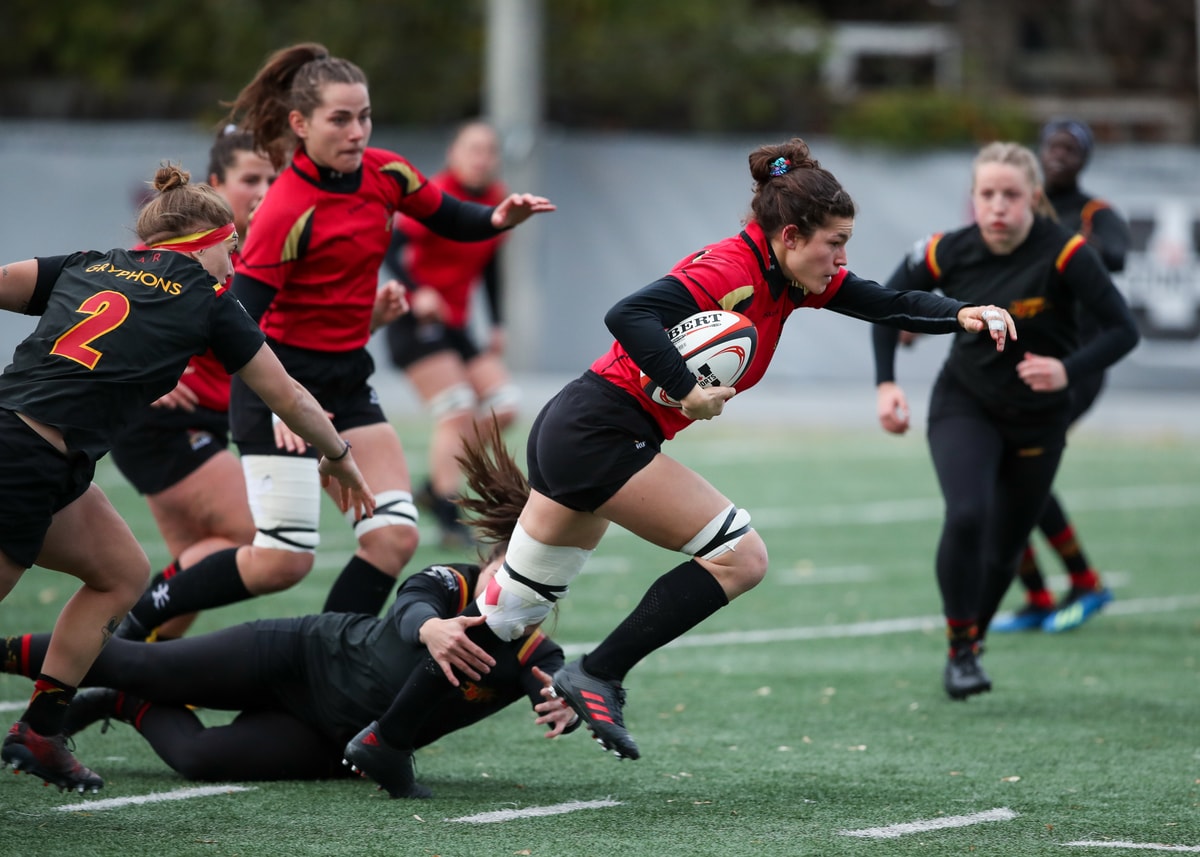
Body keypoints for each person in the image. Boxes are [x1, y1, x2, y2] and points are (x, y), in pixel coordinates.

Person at [338, 137, 1019, 797]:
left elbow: (890, 300)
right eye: (834, 242)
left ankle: (386, 740)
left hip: (582, 428)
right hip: (599, 431)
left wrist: (965, 313)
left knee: (509, 615)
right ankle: (600, 672)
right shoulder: (732, 269)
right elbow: (627, 313)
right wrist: (687, 387)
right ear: (789, 237)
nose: (842, 257)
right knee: (740, 556)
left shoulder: (792, 278)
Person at [114, 43, 555, 643]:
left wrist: (497, 218)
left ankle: (324, 670)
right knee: (282, 561)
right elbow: (238, 320)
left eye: (365, 116)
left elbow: (448, 214)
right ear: (301, 124)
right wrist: (283, 402)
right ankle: (130, 631)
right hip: (278, 385)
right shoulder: (286, 209)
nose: (357, 131)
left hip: (348, 382)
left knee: (394, 537)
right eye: (340, 119)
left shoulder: (387, 172)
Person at [0, 163, 374, 794]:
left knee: (121, 573)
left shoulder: (90, 261)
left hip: (46, 454)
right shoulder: (209, 302)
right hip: (24, 456)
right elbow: (288, 395)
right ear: (207, 242)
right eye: (233, 246)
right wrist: (337, 454)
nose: (237, 259)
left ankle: (40, 730)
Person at [1, 420, 577, 797]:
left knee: (200, 758)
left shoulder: (531, 646)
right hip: (303, 656)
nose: (523, 595)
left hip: (333, 737)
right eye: (514, 575)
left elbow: (551, 678)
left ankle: (123, 706)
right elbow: (409, 606)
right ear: (496, 563)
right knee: (137, 662)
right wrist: (431, 630)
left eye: (542, 589)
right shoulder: (454, 581)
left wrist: (565, 704)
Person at [872, 141, 1139, 701]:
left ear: (1033, 199)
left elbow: (1122, 330)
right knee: (968, 514)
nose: (997, 206)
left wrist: (1068, 371)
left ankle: (973, 640)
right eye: (986, 194)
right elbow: (885, 302)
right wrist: (887, 382)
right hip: (965, 403)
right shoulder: (948, 250)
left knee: (1006, 544)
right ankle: (960, 649)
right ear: (972, 199)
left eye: (1010, 195)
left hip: (1039, 421)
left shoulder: (1066, 252)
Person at [108, 126, 277, 641]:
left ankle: (127, 670)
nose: (266, 190)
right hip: (159, 422)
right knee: (254, 536)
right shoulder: (187, 246)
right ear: (216, 184)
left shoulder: (257, 247)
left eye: (273, 178)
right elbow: (111, 309)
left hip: (202, 420)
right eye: (251, 179)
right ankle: (121, 641)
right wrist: (153, 363)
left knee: (193, 567)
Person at [991, 118, 1132, 634]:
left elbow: (1116, 254)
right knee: (999, 475)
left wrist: (1059, 246)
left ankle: (1085, 583)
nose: (1059, 155)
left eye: (1071, 148)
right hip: (1024, 363)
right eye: (1053, 145)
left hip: (1076, 365)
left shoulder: (1093, 215)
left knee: (1019, 471)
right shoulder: (1021, 210)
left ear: (1085, 159)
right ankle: (1040, 596)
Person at [382, 119, 520, 549]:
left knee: (506, 406)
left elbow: (491, 264)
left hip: (458, 326)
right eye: (472, 149)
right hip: (416, 322)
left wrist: (497, 323)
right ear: (453, 154)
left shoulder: (497, 200)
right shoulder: (434, 194)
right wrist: (417, 290)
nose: (482, 159)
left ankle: (431, 485)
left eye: (489, 151)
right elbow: (391, 246)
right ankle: (447, 509)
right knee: (458, 409)